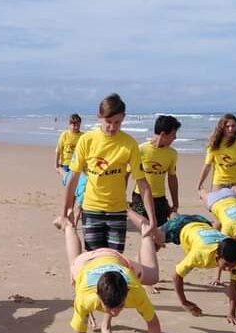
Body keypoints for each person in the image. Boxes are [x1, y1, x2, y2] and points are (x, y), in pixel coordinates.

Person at [60, 216, 174, 333]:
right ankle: (68, 226)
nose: (114, 313)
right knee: (73, 263)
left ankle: (146, 235)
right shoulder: (85, 298)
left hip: (116, 259)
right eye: (109, 308)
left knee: (153, 276)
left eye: (119, 306)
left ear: (127, 293)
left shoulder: (136, 291)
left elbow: (153, 324)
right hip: (85, 264)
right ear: (98, 296)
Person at [61, 93, 155, 252]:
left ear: (124, 118)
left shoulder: (129, 144)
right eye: (108, 122)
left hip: (117, 211)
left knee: (114, 262)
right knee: (95, 261)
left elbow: (142, 183)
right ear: (99, 117)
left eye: (117, 122)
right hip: (91, 210)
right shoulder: (87, 140)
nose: (112, 127)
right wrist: (65, 212)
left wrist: (152, 220)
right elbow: (73, 179)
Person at [158, 214, 236, 326]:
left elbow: (234, 285)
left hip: (203, 222)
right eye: (226, 265)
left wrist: (232, 313)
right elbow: (176, 275)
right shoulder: (199, 255)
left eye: (232, 266)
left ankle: (173, 214)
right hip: (180, 226)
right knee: (153, 240)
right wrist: (184, 302)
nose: (229, 269)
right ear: (217, 257)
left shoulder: (235, 261)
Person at [131, 114, 181, 229]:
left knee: (160, 236)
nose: (175, 138)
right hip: (140, 197)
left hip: (160, 198)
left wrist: (175, 203)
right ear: (163, 134)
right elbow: (127, 174)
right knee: (147, 231)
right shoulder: (141, 150)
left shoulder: (172, 154)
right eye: (173, 134)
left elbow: (172, 178)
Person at [196, 113, 236, 204]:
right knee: (215, 205)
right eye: (227, 126)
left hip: (235, 181)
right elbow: (207, 166)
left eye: (233, 126)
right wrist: (199, 184)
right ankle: (203, 193)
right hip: (219, 181)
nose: (231, 129)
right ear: (222, 127)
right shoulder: (214, 144)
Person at [55, 114, 83, 185]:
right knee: (69, 183)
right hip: (66, 164)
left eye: (78, 125)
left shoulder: (83, 136)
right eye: (74, 125)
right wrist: (56, 165)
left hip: (78, 164)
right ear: (69, 124)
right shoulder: (65, 135)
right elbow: (58, 150)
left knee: (77, 184)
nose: (76, 127)